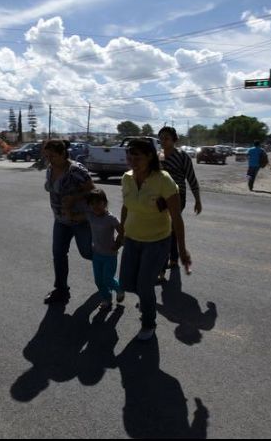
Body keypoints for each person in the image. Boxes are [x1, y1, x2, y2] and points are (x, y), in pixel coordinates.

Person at [119, 138, 191, 341]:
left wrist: (182, 250)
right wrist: (121, 233)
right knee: (127, 282)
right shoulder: (126, 178)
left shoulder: (163, 180)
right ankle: (146, 299)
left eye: (137, 156)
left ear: (150, 156)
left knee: (144, 285)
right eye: (129, 156)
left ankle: (148, 323)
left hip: (157, 242)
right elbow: (126, 207)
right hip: (132, 239)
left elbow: (177, 218)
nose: (132, 160)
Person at [43, 140, 95, 304]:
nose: (49, 159)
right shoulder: (50, 169)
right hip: (60, 221)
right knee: (58, 254)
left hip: (80, 220)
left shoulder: (76, 170)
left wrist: (75, 198)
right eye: (47, 155)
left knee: (87, 253)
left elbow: (94, 191)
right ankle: (61, 290)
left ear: (62, 154)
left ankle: (106, 267)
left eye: (52, 155)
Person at [157, 127, 201, 281]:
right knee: (170, 229)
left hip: (177, 196)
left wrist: (198, 200)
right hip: (160, 197)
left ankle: (160, 272)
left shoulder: (182, 156)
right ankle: (173, 259)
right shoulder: (158, 157)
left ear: (174, 140)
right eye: (161, 138)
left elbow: (191, 179)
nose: (163, 141)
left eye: (167, 138)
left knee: (166, 229)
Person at [74, 188, 126, 310]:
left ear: (105, 203)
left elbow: (122, 232)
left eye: (98, 202)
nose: (95, 206)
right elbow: (76, 217)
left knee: (108, 279)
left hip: (110, 255)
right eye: (92, 203)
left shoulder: (111, 218)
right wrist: (67, 209)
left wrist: (118, 244)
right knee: (99, 280)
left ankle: (119, 289)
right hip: (96, 255)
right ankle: (107, 299)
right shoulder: (90, 216)